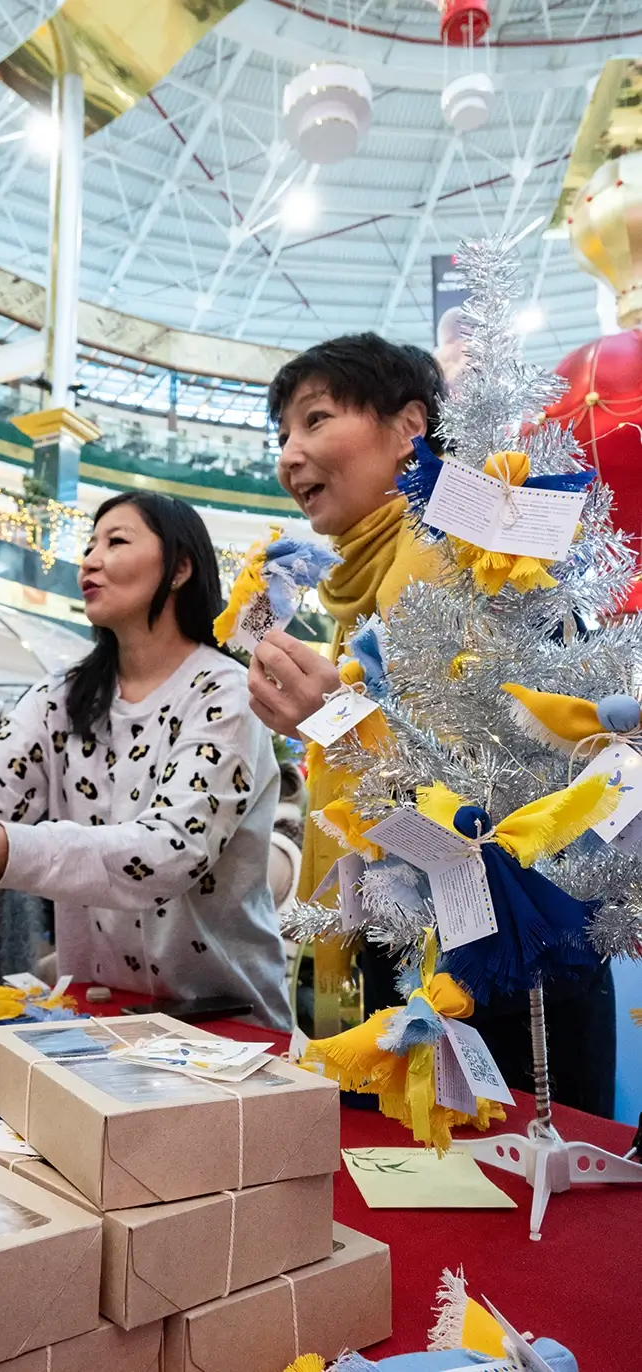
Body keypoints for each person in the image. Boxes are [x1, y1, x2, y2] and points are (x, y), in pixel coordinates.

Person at [246, 332, 616, 1115]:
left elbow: (512, 783)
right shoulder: (363, 592)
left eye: (314, 420)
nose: (290, 454)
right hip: (393, 938)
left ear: (410, 426)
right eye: (282, 435)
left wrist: (337, 720)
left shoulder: (482, 556)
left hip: (507, 963)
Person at [0, 492, 291, 1030]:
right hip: (100, 1015)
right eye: (90, 544)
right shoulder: (63, 696)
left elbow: (168, 851)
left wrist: (7, 851)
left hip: (225, 1025)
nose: (89, 559)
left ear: (180, 568)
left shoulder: (226, 693)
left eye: (116, 541)